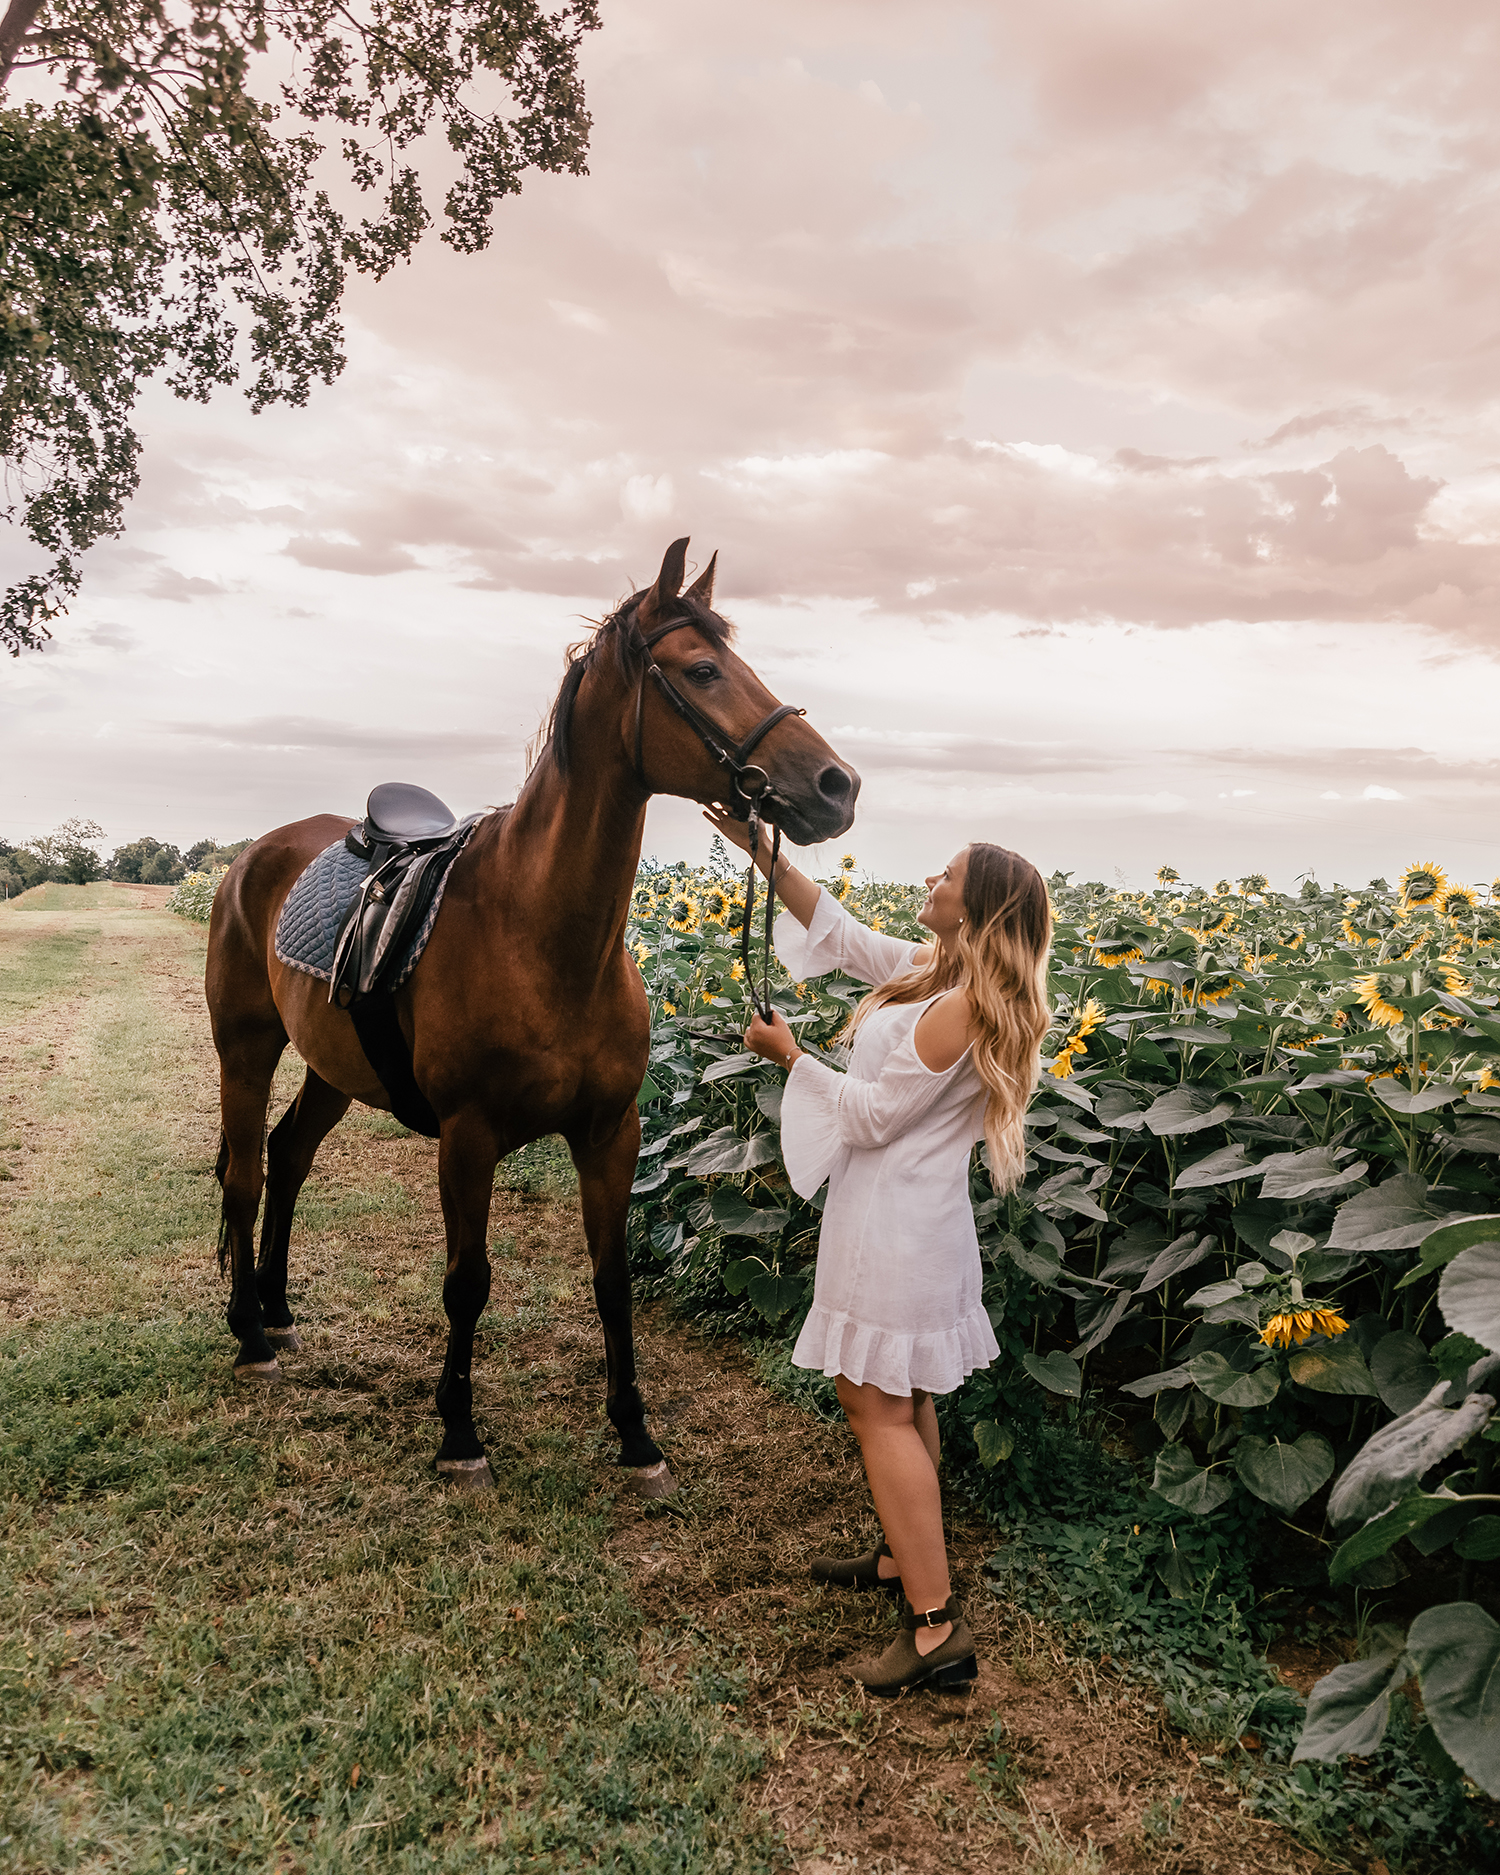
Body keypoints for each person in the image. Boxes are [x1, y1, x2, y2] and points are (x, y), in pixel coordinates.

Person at [706, 811, 1052, 1696]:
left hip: (896, 1230)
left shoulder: (955, 1009)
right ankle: (906, 1561)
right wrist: (765, 853)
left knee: (874, 1405)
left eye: (947, 876)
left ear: (975, 911)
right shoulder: (936, 972)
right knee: (903, 1394)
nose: (930, 881)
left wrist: (791, 1057)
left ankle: (935, 1627)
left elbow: (867, 1116)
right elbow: (841, 931)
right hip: (909, 1223)